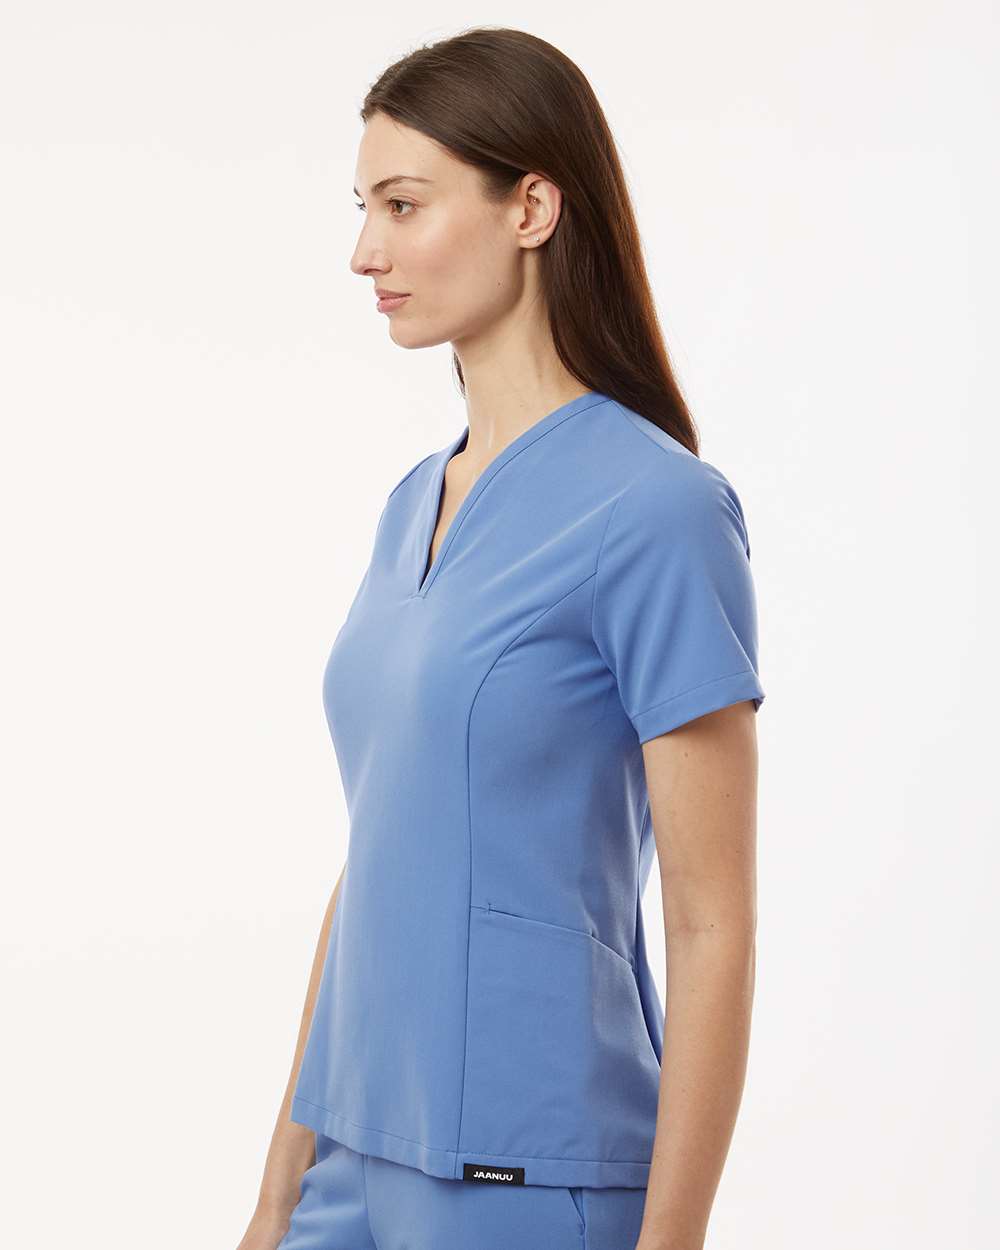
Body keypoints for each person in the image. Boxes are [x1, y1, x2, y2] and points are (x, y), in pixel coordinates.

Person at [237, 26, 766, 1250]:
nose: (365, 252)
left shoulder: (658, 510)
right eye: (364, 209)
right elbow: (377, 856)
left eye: (403, 204)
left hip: (526, 1176)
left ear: (531, 207)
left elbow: (712, 922)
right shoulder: (409, 505)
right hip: (350, 1161)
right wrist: (278, 1190)